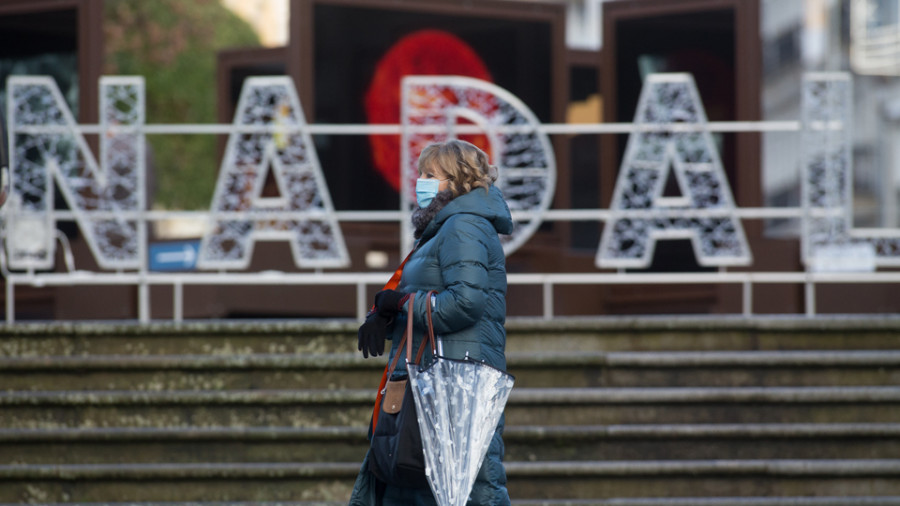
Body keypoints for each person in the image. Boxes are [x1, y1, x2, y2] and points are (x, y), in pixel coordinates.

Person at [350, 139, 514, 506]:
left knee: (462, 489)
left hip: (455, 384)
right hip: (441, 380)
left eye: (430, 175)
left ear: (457, 182)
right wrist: (388, 314)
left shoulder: (463, 227)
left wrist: (402, 302)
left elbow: (465, 304)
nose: (420, 181)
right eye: (420, 173)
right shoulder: (442, 229)